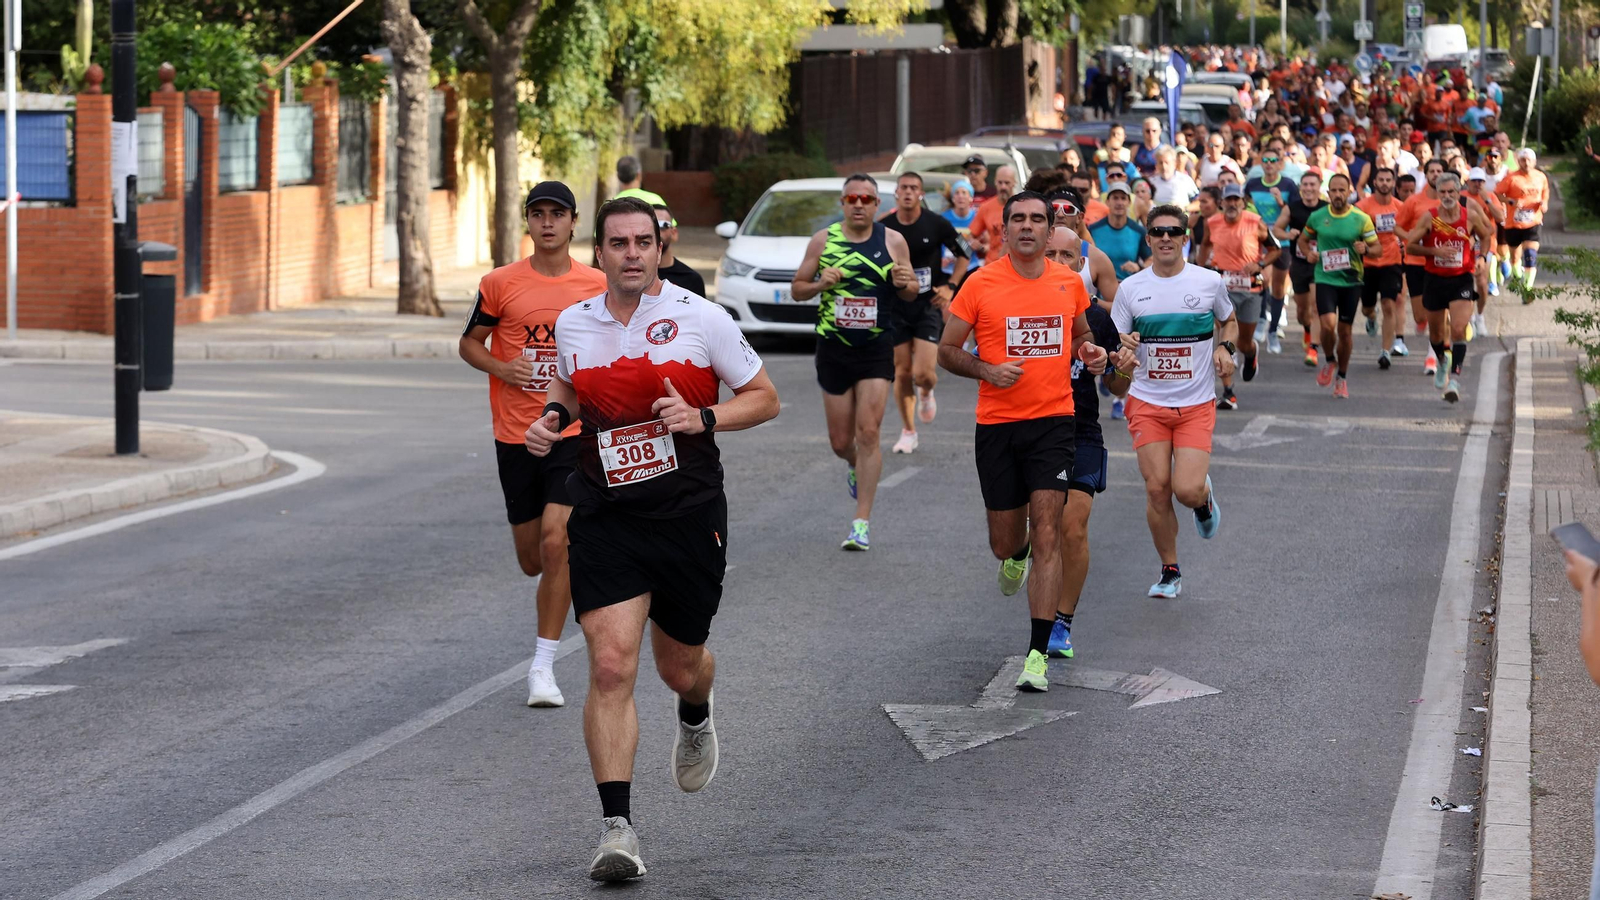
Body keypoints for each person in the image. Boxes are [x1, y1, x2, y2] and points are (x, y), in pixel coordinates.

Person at [524, 196, 780, 882]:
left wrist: (703, 416)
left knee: (678, 667)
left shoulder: (703, 320)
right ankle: (618, 830)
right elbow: (569, 386)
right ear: (599, 251)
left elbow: (765, 396)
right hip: (606, 516)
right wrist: (552, 416)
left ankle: (696, 708)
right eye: (618, 243)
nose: (631, 253)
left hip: (689, 515)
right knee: (609, 665)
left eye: (644, 241)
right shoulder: (574, 321)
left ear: (660, 248)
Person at [936, 190, 1103, 690]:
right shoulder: (980, 283)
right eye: (1018, 220)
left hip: (1054, 421)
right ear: (1004, 230)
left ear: (1051, 231)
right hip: (997, 426)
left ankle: (1037, 654)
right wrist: (987, 368)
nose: (1028, 227)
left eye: (1037, 220)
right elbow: (946, 350)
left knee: (1050, 531)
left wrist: (1090, 350)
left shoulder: (1068, 282)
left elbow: (1078, 336)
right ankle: (1016, 552)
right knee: (1006, 541)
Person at [459, 180, 608, 709]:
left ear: (573, 223)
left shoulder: (596, 284)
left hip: (570, 430)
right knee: (532, 559)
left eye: (558, 214)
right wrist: (504, 366)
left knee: (555, 539)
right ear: (528, 221)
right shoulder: (500, 283)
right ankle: (560, 579)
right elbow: (468, 343)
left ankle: (542, 666)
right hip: (515, 435)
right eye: (538, 214)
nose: (548, 223)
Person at [1112, 204, 1236, 599]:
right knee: (1156, 489)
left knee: (1185, 489)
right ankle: (1170, 570)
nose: (1166, 237)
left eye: (1173, 231)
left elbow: (1228, 321)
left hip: (1195, 403)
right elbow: (1117, 352)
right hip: (1146, 401)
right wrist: (1123, 353)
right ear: (1147, 238)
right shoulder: (1130, 290)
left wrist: (1226, 347)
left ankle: (1202, 499)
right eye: (1157, 231)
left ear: (1185, 238)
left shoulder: (1208, 282)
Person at [791, 175, 918, 550]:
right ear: (843, 203)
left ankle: (860, 522)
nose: (858, 203)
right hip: (834, 348)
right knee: (840, 441)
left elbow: (911, 292)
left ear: (877, 203)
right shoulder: (823, 240)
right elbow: (798, 289)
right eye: (852, 198)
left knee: (869, 433)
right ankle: (853, 463)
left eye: (866, 198)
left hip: (877, 348)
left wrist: (902, 281)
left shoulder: (892, 240)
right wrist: (819, 284)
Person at [1041, 221, 1133, 660]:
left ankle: (1062, 621)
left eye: (1067, 258)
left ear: (1081, 265)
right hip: (1031, 431)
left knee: (1072, 527)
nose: (1059, 264)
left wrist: (1123, 368)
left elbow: (1115, 386)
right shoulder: (1018, 307)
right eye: (1050, 255)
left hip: (1081, 432)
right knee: (1035, 532)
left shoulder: (1097, 317)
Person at [881, 172, 970, 455]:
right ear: (897, 193)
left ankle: (928, 391)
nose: (908, 192)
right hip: (895, 306)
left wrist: (951, 286)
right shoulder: (884, 227)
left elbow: (964, 253)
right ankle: (908, 431)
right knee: (902, 372)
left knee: (924, 374)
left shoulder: (936, 223)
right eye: (903, 188)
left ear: (921, 194)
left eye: (914, 188)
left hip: (928, 303)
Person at [1401, 171, 1494, 403]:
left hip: (1461, 278)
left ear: (1458, 191)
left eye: (1451, 191)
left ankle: (1454, 379)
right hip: (1434, 279)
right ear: (1438, 194)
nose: (1447, 196)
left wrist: (1482, 257)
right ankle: (1442, 361)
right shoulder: (1429, 218)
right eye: (1442, 192)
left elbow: (1486, 235)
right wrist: (1434, 251)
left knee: (1459, 329)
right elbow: (1410, 247)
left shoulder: (1469, 214)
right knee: (1436, 334)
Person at [1198, 183, 1279, 409]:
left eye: (1237, 200)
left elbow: (1276, 249)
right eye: (1228, 200)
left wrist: (1260, 264)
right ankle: (1228, 392)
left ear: (1243, 202)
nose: (1232, 204)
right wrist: (1201, 267)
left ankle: (1251, 353)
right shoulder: (1212, 223)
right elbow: (1204, 245)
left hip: (1250, 289)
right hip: (1221, 288)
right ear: (1222, 203)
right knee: (1224, 334)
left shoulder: (1255, 222)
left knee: (1243, 342)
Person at [1299, 172, 1379, 399]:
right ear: (1328, 192)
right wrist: (1308, 254)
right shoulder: (1317, 217)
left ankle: (1341, 377)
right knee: (1327, 325)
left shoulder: (1361, 219)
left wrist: (1367, 249)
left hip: (1352, 280)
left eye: (1341, 190)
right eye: (1333, 190)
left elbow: (1378, 249)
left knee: (1344, 332)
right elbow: (1303, 240)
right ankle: (1330, 361)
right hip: (1325, 277)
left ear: (1349, 191)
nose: (1337, 194)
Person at [1271, 170, 1327, 368]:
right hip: (1299, 263)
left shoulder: (1326, 208)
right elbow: (1276, 229)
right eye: (1306, 185)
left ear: (1319, 186)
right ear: (1301, 188)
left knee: (1316, 306)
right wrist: (1288, 235)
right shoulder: (1292, 208)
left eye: (1313, 185)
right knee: (1303, 310)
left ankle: (1313, 348)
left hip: (1321, 264)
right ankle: (1307, 329)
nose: (1309, 189)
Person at [1398, 160, 1447, 375]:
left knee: (1440, 313)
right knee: (1420, 316)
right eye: (1432, 171)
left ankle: (1432, 357)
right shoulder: (1414, 201)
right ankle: (1422, 323)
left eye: (1439, 171)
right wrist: (1410, 237)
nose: (1435, 174)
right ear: (1425, 175)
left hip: (1442, 264)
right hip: (1416, 262)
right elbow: (1397, 225)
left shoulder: (1452, 202)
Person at [1245, 142, 1294, 352]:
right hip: (1260, 241)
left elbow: (1295, 212)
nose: (1269, 164)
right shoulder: (1253, 184)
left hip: (1282, 241)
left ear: (1280, 163)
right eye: (1265, 160)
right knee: (1262, 279)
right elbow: (1245, 207)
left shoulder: (1289, 185)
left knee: (1279, 286)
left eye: (1273, 161)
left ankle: (1273, 331)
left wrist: (1281, 202)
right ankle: (1262, 319)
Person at [1355, 166, 1406, 369]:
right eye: (1381, 180)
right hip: (1367, 263)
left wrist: (1404, 243)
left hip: (1391, 262)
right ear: (1374, 183)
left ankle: (1385, 351)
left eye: (1388, 180)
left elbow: (1409, 230)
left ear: (1393, 183)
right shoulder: (1361, 207)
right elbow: (1353, 231)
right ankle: (1371, 316)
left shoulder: (1400, 207)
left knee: (1389, 304)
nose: (1385, 183)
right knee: (1367, 307)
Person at [1495, 147, 1550, 293]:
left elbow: (1545, 191)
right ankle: (1516, 271)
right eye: (1523, 160)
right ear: (1518, 161)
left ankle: (1527, 288)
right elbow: (1497, 193)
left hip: (1533, 221)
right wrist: (1510, 201)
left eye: (1529, 160)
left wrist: (1544, 202)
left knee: (1530, 255)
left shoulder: (1540, 177)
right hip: (1513, 223)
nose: (1526, 163)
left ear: (1534, 161)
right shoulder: (1511, 178)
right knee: (1514, 257)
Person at [1090, 182, 1151, 280]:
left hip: (1129, 289)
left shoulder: (1139, 231)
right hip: (1099, 291)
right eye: (1115, 198)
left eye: (1123, 198)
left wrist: (1140, 267)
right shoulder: (1093, 230)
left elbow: (1151, 259)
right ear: (1107, 202)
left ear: (1129, 203)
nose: (1119, 203)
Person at [651, 204, 705, 299]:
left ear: (674, 233)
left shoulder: (691, 280)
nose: (657, 231)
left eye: (663, 225)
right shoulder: (634, 275)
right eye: (651, 225)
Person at [970, 165, 1019, 263]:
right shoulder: (986, 207)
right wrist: (973, 243)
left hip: (1016, 263)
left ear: (1014, 183)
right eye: (1000, 182)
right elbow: (971, 234)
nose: (1003, 187)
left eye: (1007, 183)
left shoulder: (1022, 205)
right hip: (993, 263)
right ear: (995, 182)